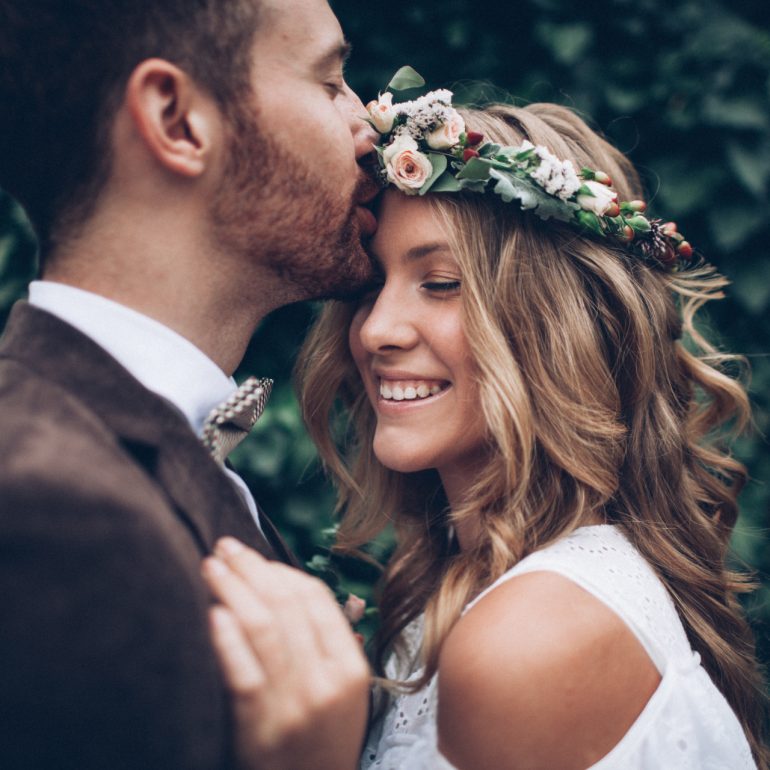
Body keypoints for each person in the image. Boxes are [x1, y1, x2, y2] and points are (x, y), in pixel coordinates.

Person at [208, 91, 769, 768]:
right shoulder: (483, 590)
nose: (377, 331)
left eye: (440, 283)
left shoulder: (530, 637)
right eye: (370, 286)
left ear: (558, 326)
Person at [0, 1, 378, 768]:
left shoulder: (135, 442)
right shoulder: (50, 514)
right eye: (330, 80)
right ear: (177, 120)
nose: (368, 123)